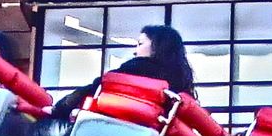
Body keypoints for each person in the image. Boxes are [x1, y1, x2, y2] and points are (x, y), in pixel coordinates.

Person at [51, 24, 195, 118]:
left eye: (140, 44)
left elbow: (94, 87)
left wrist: (58, 109)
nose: (135, 51)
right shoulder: (180, 80)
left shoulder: (135, 69)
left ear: (157, 46)